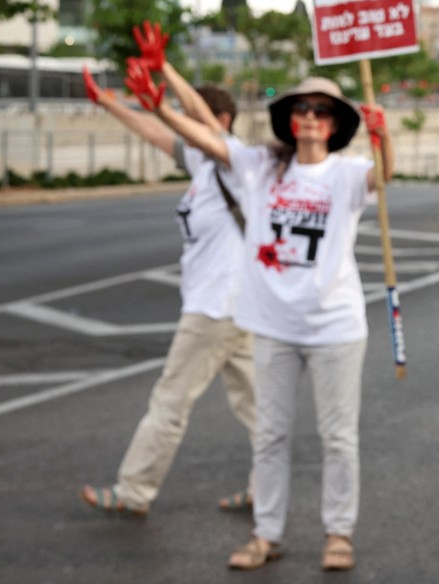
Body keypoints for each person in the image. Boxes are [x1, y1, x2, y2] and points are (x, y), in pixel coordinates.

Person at [125, 57, 394, 572]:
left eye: (321, 110)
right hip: (271, 326)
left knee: (338, 437)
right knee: (270, 435)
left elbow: (384, 175)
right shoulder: (259, 166)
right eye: (302, 108)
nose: (311, 116)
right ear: (290, 119)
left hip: (334, 328)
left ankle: (338, 532)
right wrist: (159, 103)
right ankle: (265, 533)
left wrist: (385, 138)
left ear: (335, 123)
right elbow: (205, 136)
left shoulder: (346, 174)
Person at [79, 22, 256, 518]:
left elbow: (199, 120)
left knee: (170, 402)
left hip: (214, 309)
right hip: (236, 308)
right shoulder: (203, 165)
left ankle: (134, 491)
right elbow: (157, 131)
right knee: (262, 411)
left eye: (188, 114)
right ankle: (270, 488)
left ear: (217, 120)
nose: (179, 120)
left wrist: (165, 70)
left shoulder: (234, 164)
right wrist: (109, 103)